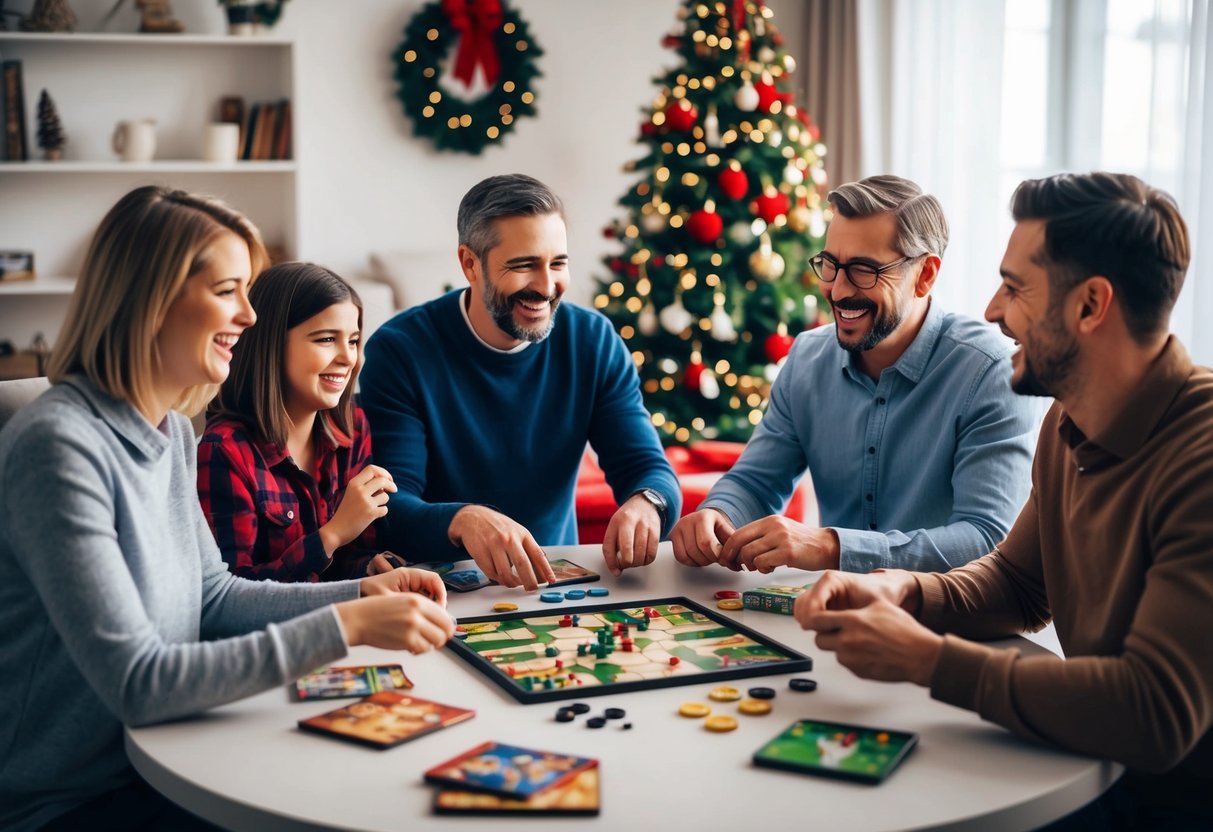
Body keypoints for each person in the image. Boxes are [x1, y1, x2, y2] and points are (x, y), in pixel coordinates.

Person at [0, 186, 455, 832]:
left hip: (169, 758)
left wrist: (363, 595)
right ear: (151, 300)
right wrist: (347, 627)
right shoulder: (59, 447)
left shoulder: (169, 435)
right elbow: (138, 682)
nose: (248, 316)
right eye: (227, 291)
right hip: (73, 801)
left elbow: (213, 598)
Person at [795, 172, 1211, 828]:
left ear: (1089, 305)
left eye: (1015, 288)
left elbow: (1155, 711)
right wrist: (901, 591)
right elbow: (1018, 585)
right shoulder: (1068, 420)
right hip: (1088, 765)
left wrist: (926, 659)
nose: (991, 310)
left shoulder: (1202, 457)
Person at [671, 175, 1040, 574]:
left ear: (926, 275)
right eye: (830, 265)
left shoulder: (991, 373)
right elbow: (757, 482)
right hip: (829, 616)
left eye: (864, 270)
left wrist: (832, 546)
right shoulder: (806, 359)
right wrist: (717, 513)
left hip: (944, 622)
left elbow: (986, 539)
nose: (837, 290)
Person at [360, 174, 681, 588]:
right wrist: (463, 519)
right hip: (439, 589)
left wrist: (646, 503)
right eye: (524, 264)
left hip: (557, 587)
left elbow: (648, 468)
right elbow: (391, 505)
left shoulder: (593, 341)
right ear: (470, 264)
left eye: (558, 263)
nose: (547, 287)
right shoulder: (400, 350)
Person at [198, 262, 399, 582]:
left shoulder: (352, 427)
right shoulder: (224, 451)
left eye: (352, 340)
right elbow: (233, 595)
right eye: (326, 339)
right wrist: (331, 536)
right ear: (271, 344)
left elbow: (351, 556)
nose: (349, 358)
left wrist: (367, 568)